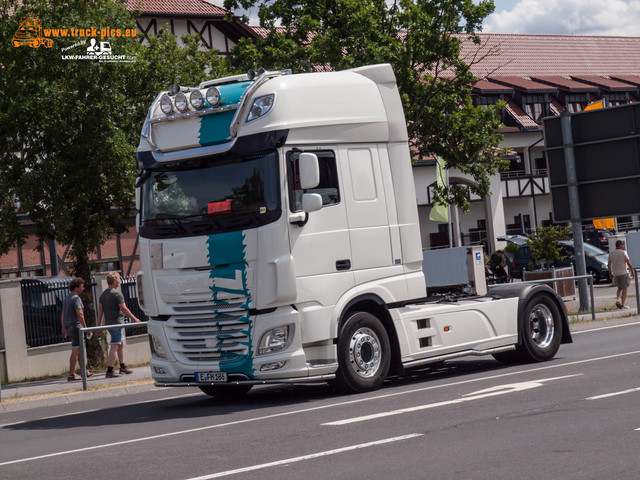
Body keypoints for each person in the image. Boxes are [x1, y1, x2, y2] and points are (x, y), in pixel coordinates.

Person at [97, 272, 141, 377]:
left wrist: (99, 325)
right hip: (117, 323)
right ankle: (110, 370)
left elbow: (100, 311)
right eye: (118, 279)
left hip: (109, 323)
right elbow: (124, 308)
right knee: (115, 345)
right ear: (114, 281)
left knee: (121, 343)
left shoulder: (103, 294)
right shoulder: (117, 294)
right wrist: (134, 318)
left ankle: (122, 367)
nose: (120, 281)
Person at [61, 277, 93, 381]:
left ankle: (84, 371)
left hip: (69, 326)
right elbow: (80, 314)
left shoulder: (67, 298)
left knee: (79, 350)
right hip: (76, 327)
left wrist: (63, 328)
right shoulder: (76, 299)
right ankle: (71, 374)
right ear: (76, 287)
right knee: (76, 350)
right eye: (82, 286)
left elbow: (63, 314)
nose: (83, 288)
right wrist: (86, 328)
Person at [608, 240, 634, 309]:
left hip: (616, 274)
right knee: (625, 288)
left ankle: (618, 300)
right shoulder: (623, 252)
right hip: (623, 273)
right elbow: (628, 262)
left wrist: (610, 273)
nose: (623, 246)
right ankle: (623, 304)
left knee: (620, 288)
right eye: (622, 245)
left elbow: (609, 264)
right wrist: (632, 271)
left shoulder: (611, 253)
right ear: (619, 245)